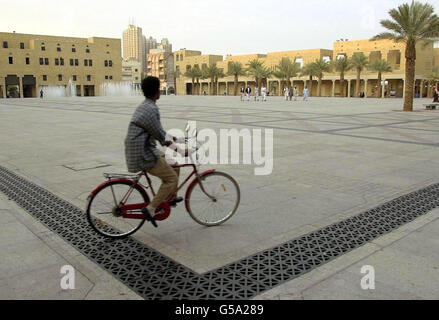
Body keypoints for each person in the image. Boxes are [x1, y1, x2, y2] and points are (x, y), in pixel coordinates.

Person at [125, 76, 186, 228]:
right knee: (171, 179)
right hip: (142, 153)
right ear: (156, 91)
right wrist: (179, 149)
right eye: (159, 88)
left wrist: (177, 140)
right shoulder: (151, 109)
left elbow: (159, 131)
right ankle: (151, 208)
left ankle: (170, 197)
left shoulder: (147, 105)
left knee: (175, 165)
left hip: (145, 148)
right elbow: (160, 136)